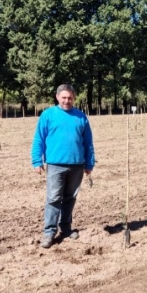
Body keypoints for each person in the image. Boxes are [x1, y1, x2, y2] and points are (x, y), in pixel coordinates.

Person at [31, 84, 96, 248]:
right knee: (53, 198)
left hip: (77, 165)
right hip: (55, 165)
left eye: (70, 98)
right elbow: (39, 139)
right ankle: (49, 233)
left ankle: (65, 228)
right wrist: (37, 160)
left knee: (70, 197)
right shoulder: (48, 115)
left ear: (74, 98)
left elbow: (88, 142)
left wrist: (89, 162)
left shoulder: (81, 117)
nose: (67, 101)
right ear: (57, 97)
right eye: (64, 97)